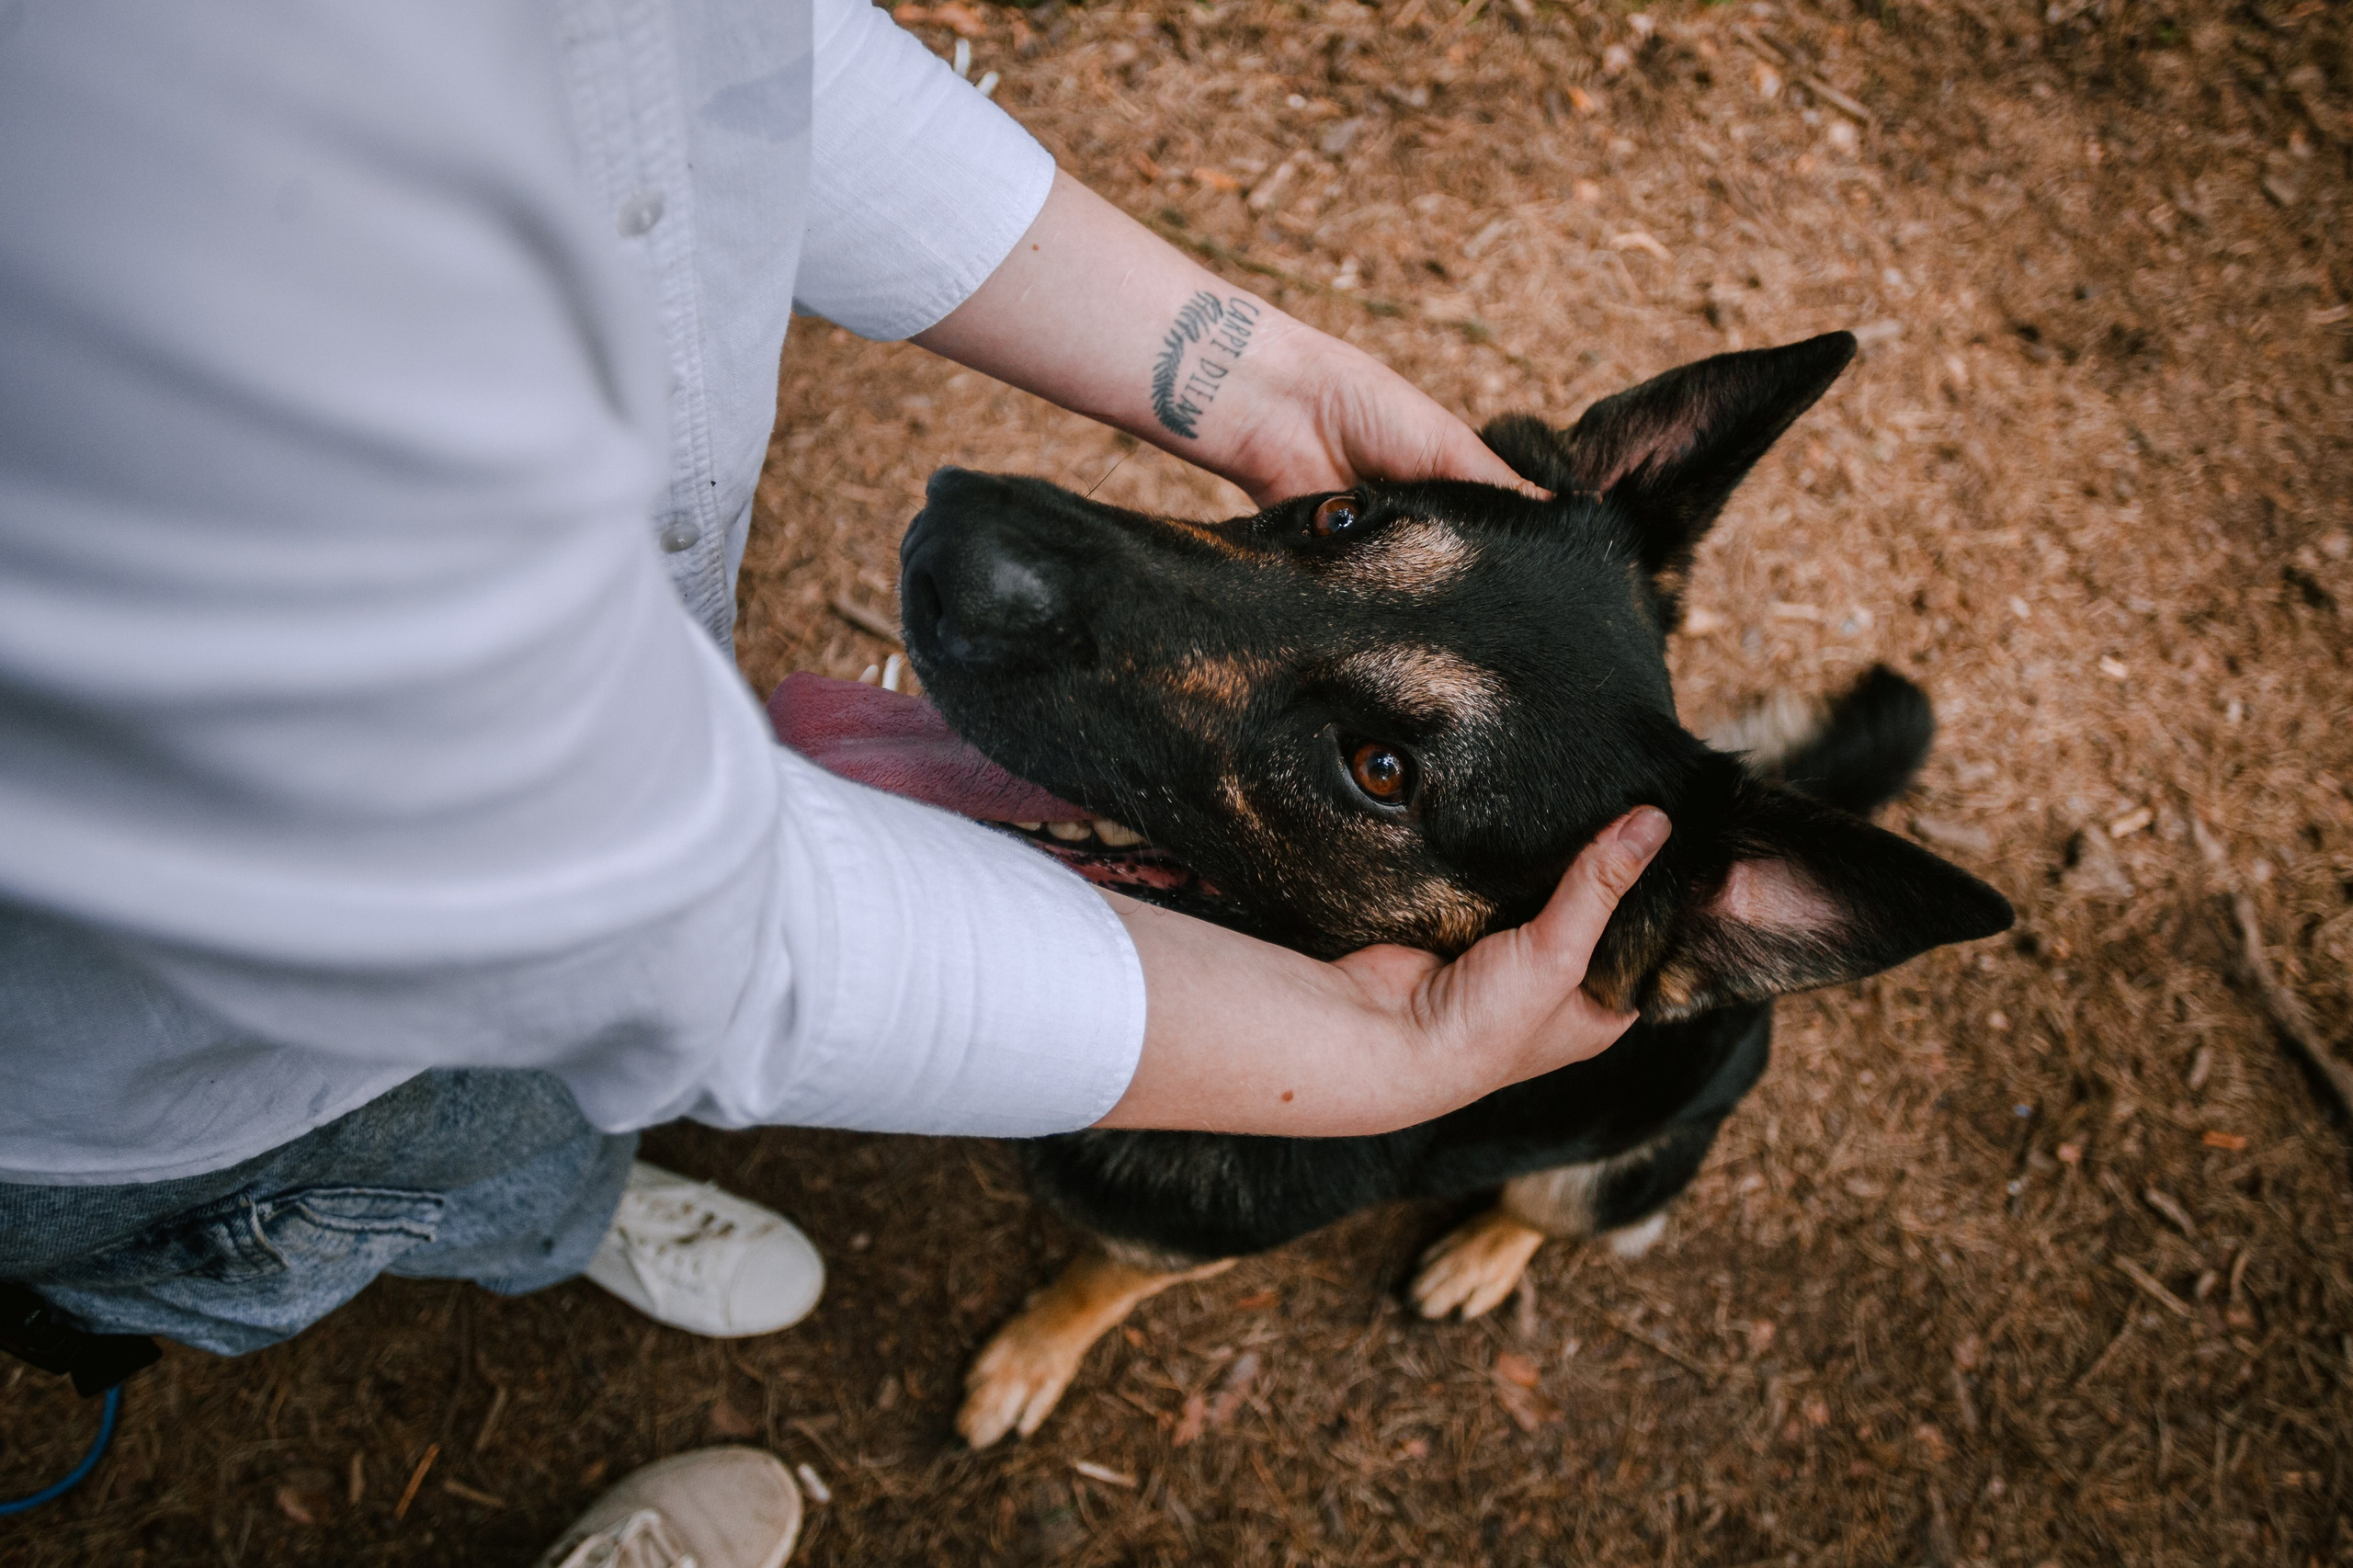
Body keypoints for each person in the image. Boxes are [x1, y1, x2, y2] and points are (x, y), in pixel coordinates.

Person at [0, 2, 1668, 1562]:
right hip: (173, 1070)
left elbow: (693, 53)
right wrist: (1375, 1059)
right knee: (336, 1194)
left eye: (1380, 767)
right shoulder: (120, 149)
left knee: (519, 1150)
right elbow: (608, 921)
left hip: (523, 921)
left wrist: (1271, 386)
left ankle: (562, 1204)